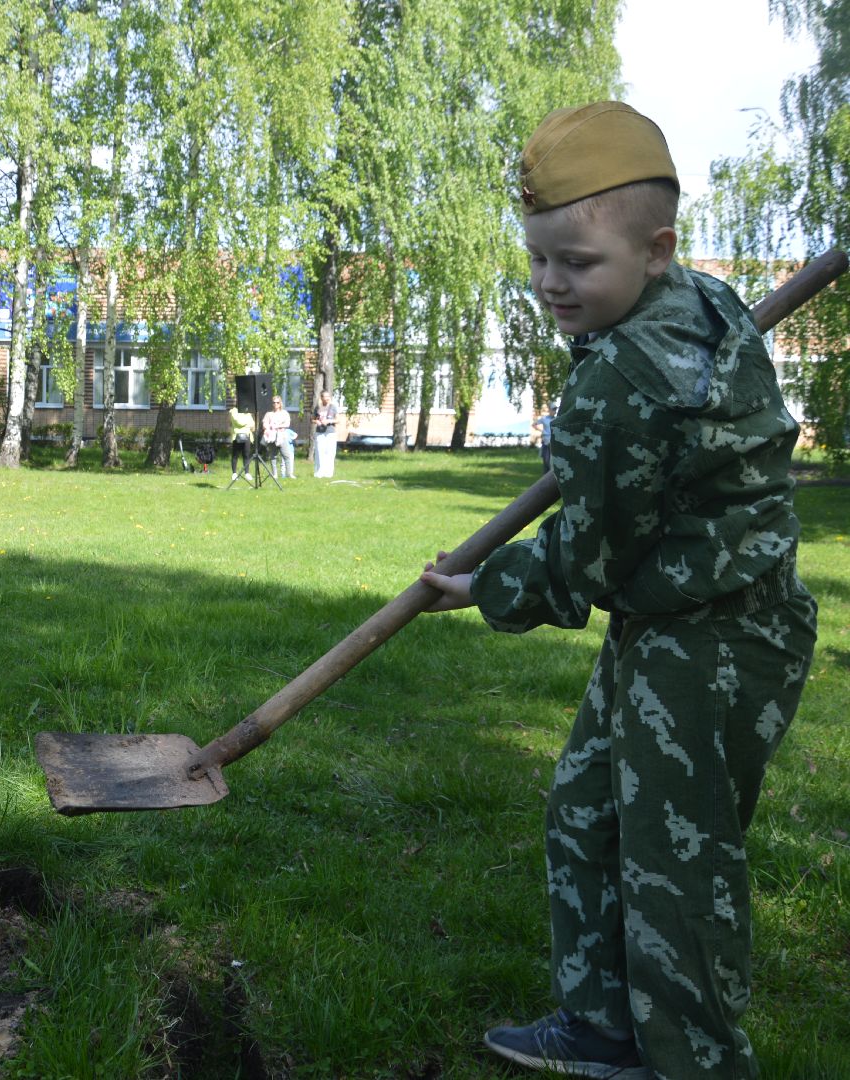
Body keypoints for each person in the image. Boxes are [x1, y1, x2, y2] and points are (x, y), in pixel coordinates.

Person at [420, 101, 815, 1080]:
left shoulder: (620, 388)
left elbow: (581, 565)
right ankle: (601, 1027)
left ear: (656, 249)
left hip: (714, 648)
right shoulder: (700, 299)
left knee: (679, 868)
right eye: (538, 258)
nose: (551, 283)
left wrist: (481, 587)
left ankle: (696, 1064)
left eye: (577, 262)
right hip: (675, 628)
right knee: (586, 814)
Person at [261, 394, 295, 479]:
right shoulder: (269, 414)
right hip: (272, 437)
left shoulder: (284, 413)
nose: (275, 404)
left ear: (280, 403)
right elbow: (265, 424)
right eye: (274, 402)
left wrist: (277, 426)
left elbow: (287, 424)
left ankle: (289, 474)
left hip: (282, 436)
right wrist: (267, 427)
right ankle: (274, 474)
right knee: (273, 456)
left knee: (286, 455)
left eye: (277, 402)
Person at [311, 391, 338, 477]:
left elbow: (338, 420)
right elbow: (313, 419)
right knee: (319, 452)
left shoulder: (333, 407)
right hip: (320, 432)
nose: (326, 398)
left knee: (330, 452)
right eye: (325, 396)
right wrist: (317, 421)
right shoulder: (318, 407)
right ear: (321, 397)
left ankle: (328, 473)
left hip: (330, 432)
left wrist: (329, 421)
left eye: (328, 396)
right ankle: (319, 473)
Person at [228, 403, 255, 482]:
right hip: (237, 436)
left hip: (247, 436)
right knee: (235, 455)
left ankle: (247, 473)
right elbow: (238, 422)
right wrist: (247, 422)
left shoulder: (247, 412)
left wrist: (248, 423)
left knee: (246, 455)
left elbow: (252, 425)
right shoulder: (234, 411)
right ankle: (234, 473)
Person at [536, 404, 556, 470]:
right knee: (546, 459)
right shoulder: (544, 418)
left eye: (555, 409)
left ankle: (552, 472)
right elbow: (534, 424)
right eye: (553, 409)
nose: (554, 411)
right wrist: (542, 431)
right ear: (549, 410)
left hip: (553, 441)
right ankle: (546, 473)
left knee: (553, 459)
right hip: (546, 441)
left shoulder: (556, 419)